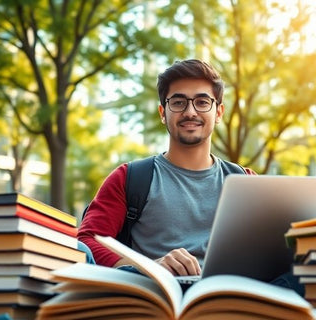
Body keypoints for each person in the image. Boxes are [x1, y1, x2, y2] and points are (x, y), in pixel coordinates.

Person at [77, 59, 303, 295]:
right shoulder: (129, 178)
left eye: (202, 102)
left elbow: (280, 251)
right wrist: (149, 269)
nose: (190, 112)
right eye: (178, 102)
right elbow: (88, 241)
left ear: (219, 112)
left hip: (234, 299)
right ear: (163, 113)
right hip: (159, 296)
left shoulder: (248, 182)